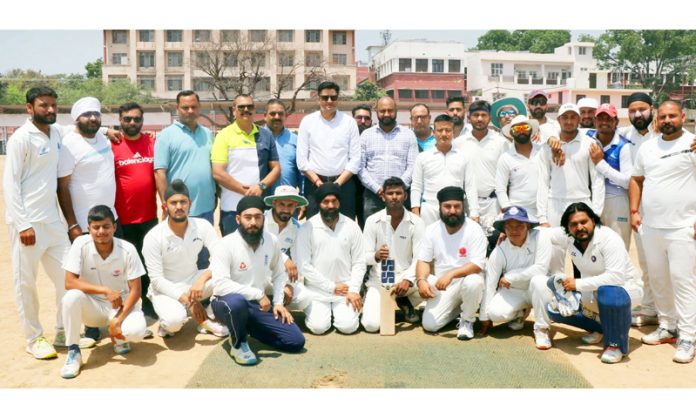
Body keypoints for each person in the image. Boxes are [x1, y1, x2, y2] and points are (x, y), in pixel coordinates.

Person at [4, 86, 72, 359]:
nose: (51, 110)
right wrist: (23, 224)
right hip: (28, 224)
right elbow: (10, 184)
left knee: (69, 278)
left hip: (53, 223)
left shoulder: (56, 132)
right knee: (26, 284)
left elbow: (79, 128)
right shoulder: (21, 138)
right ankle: (34, 339)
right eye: (44, 105)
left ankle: (62, 331)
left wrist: (108, 131)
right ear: (29, 108)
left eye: (54, 105)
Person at [630, 100, 696, 364]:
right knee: (658, 279)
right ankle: (668, 326)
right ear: (657, 119)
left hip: (683, 227)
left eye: (673, 116)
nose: (668, 120)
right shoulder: (647, 149)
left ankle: (689, 336)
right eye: (663, 116)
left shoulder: (692, 144)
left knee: (683, 282)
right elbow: (636, 179)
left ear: (682, 117)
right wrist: (635, 211)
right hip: (652, 227)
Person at [541, 203, 643, 364]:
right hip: (592, 293)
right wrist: (509, 232)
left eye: (584, 222)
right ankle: (603, 328)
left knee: (607, 292)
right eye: (574, 224)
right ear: (567, 228)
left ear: (593, 221)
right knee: (554, 310)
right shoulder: (568, 236)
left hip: (625, 291)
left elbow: (615, 277)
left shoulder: (608, 238)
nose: (580, 227)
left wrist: (577, 285)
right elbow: (541, 233)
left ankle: (615, 344)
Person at [209, 196, 305, 365]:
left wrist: (278, 303)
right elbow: (220, 284)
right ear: (238, 219)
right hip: (226, 302)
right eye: (248, 217)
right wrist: (258, 293)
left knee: (295, 341)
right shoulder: (224, 244)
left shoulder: (271, 241)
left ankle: (246, 327)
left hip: (258, 305)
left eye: (258, 217)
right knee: (237, 303)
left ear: (263, 218)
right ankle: (238, 343)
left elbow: (279, 273)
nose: (253, 222)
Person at [59, 205, 148, 378]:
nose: (101, 231)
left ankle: (119, 336)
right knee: (71, 297)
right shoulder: (80, 244)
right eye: (96, 227)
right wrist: (105, 290)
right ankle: (73, 351)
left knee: (137, 332)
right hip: (93, 307)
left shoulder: (128, 249)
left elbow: (135, 291)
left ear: (114, 227)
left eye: (106, 226)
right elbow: (69, 282)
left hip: (120, 305)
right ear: (88, 229)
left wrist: (118, 319)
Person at [142, 180, 228, 339]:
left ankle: (208, 318)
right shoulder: (153, 237)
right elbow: (157, 280)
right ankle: (169, 320)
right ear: (165, 205)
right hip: (165, 289)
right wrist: (190, 302)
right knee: (174, 323)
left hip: (194, 282)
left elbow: (221, 258)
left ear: (190, 203)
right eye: (173, 203)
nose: (179, 206)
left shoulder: (202, 226)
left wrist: (202, 278)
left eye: (183, 202)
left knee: (230, 275)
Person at [537, 103, 604, 275]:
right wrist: (542, 216)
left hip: (582, 203)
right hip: (554, 205)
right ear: (558, 120)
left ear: (579, 119)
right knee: (555, 260)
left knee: (583, 258)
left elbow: (597, 181)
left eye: (573, 117)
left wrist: (595, 213)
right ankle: (557, 299)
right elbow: (542, 182)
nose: (568, 121)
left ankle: (583, 298)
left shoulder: (589, 144)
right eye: (565, 117)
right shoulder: (548, 146)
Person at [415, 186, 486, 340]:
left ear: (463, 207)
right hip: (444, 285)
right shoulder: (432, 230)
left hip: (467, 280)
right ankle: (460, 308)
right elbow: (423, 261)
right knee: (430, 325)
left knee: (473, 282)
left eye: (457, 206)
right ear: (440, 207)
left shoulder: (474, 229)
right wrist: (421, 281)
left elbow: (477, 264)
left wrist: (452, 274)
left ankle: (467, 320)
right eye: (447, 206)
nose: (452, 211)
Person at [295, 183, 366, 334]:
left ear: (339, 202)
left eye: (334, 201)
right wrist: (331, 287)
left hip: (346, 289)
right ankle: (326, 314)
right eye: (325, 202)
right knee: (318, 328)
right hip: (317, 290)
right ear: (319, 204)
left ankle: (342, 312)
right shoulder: (307, 228)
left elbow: (359, 262)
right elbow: (304, 266)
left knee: (348, 327)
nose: (331, 205)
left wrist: (353, 290)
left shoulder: (352, 226)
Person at [479, 206, 552, 349]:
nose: (514, 230)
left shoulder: (541, 237)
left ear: (528, 226)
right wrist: (484, 318)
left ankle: (542, 329)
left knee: (539, 280)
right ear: (504, 229)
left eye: (520, 225)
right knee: (494, 313)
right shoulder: (499, 251)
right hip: (514, 291)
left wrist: (511, 276)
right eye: (509, 226)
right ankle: (520, 312)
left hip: (537, 289)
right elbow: (490, 284)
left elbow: (541, 268)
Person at [112, 102, 158, 318]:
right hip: (122, 219)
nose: (132, 122)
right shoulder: (112, 144)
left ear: (142, 120)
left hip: (149, 216)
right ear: (120, 120)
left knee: (148, 263)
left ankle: (149, 304)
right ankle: (128, 308)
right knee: (126, 266)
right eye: (127, 119)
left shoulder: (151, 142)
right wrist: (106, 131)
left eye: (137, 119)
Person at [361, 177, 425, 331]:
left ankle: (404, 299)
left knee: (437, 285)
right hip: (380, 281)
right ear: (383, 196)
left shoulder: (417, 222)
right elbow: (363, 256)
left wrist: (408, 280)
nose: (394, 197)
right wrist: (376, 256)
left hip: (406, 280)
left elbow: (420, 258)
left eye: (398, 193)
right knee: (371, 325)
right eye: (390, 193)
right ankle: (390, 301)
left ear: (405, 196)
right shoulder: (372, 221)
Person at [212, 94, 280, 235]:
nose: (246, 110)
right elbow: (218, 173)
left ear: (254, 110)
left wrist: (260, 187)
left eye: (250, 106)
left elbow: (276, 168)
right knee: (234, 254)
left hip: (259, 209)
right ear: (234, 110)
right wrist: (247, 192)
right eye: (241, 107)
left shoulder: (266, 136)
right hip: (231, 209)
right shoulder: (223, 135)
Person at [57, 97, 120, 242]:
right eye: (87, 115)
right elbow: (62, 187)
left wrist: (105, 130)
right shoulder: (68, 144)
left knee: (115, 263)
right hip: (85, 225)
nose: (93, 118)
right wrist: (73, 225)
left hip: (111, 219)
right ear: (76, 119)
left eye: (96, 114)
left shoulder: (103, 138)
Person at [297, 81, 361, 219]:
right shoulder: (307, 121)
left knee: (345, 227)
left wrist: (337, 184)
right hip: (315, 184)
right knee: (314, 228)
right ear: (318, 98)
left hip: (343, 185)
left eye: (333, 97)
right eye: (325, 97)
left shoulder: (349, 122)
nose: (329, 101)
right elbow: (302, 160)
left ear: (338, 99)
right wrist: (318, 183)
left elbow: (355, 159)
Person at [154, 90, 216, 224]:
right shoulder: (166, 135)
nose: (190, 111)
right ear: (177, 108)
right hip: (179, 209)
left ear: (199, 108)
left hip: (207, 208)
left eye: (194, 107)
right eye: (185, 107)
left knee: (205, 245)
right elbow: (160, 173)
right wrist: (166, 204)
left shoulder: (207, 133)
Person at [453, 100, 508, 251]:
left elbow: (506, 177)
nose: (479, 119)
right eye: (475, 115)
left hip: (494, 205)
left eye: (483, 115)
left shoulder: (500, 142)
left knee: (496, 247)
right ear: (468, 117)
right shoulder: (458, 143)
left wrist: (504, 206)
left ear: (489, 118)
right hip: (467, 205)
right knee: (470, 248)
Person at [411, 114, 480, 226]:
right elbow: (416, 186)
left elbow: (470, 186)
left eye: (448, 130)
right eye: (440, 130)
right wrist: (415, 210)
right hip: (430, 209)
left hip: (455, 209)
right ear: (434, 132)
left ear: (453, 132)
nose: (444, 134)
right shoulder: (423, 157)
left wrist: (474, 212)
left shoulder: (464, 157)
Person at [358, 96, 418, 220]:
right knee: (373, 234)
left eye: (390, 110)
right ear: (376, 112)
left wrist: (398, 188)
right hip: (373, 195)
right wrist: (377, 189)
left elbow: (413, 166)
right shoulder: (366, 135)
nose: (386, 114)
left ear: (396, 111)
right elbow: (360, 167)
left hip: (400, 196)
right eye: (382, 111)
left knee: (401, 234)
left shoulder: (408, 135)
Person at [587, 103, 633, 249]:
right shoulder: (587, 138)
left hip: (617, 201)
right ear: (595, 121)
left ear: (616, 122)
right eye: (600, 118)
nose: (604, 122)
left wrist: (600, 163)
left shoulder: (624, 146)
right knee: (594, 247)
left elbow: (627, 182)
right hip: (593, 199)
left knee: (618, 246)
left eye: (609, 119)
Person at [262, 185, 310, 310]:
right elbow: (260, 247)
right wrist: (284, 259)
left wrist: (289, 285)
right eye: (281, 204)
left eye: (290, 206)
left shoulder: (296, 228)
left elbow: (297, 262)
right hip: (256, 275)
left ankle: (274, 307)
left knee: (304, 298)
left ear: (296, 206)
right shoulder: (260, 219)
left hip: (277, 278)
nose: (285, 209)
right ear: (274, 203)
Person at [496, 115, 542, 220]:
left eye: (525, 128)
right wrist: (507, 209)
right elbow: (500, 188)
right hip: (517, 211)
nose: (521, 131)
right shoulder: (505, 158)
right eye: (517, 129)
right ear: (511, 133)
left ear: (531, 130)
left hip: (543, 210)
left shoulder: (542, 151)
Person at [264, 99, 303, 193]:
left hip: (288, 202)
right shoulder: (257, 139)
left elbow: (301, 172)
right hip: (263, 200)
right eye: (272, 113)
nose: (277, 117)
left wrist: (303, 195)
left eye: (280, 114)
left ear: (285, 116)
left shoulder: (295, 140)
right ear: (265, 116)